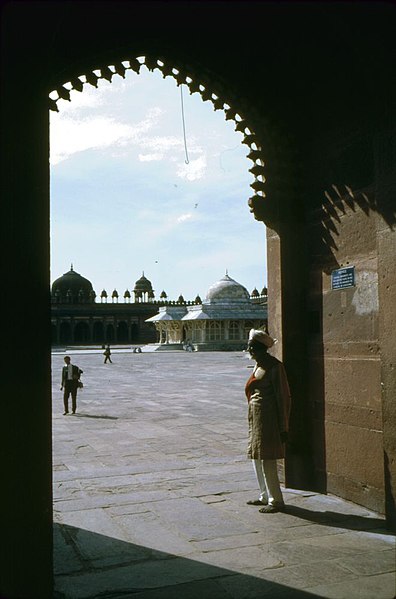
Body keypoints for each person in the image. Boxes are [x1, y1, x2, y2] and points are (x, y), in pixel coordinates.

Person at [245, 329, 291, 513]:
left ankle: (276, 500)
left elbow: (283, 396)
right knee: (256, 457)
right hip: (257, 419)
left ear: (261, 349)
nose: (249, 350)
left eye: (252, 347)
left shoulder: (274, 366)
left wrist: (284, 425)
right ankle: (264, 495)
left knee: (267, 459)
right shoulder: (259, 365)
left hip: (270, 419)